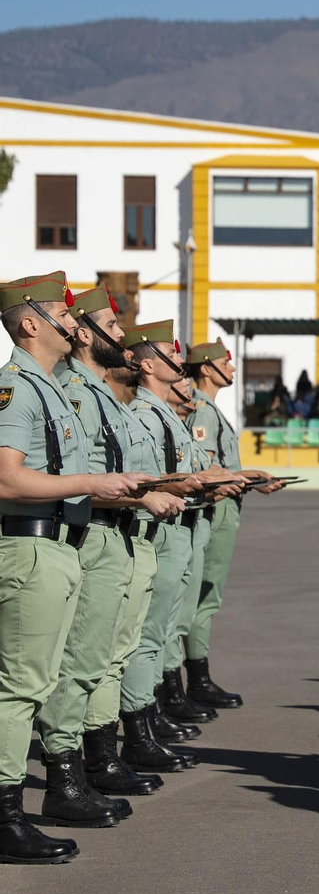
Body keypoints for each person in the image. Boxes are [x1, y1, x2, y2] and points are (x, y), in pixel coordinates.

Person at [0, 274, 150, 863]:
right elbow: (8, 477)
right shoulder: (18, 385)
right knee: (20, 689)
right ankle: (8, 816)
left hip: (59, 545)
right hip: (31, 544)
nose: (74, 321)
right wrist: (93, 483)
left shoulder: (50, 388)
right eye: (61, 312)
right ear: (30, 323)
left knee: (36, 684)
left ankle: (39, 797)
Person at [35, 289, 186, 831]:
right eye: (110, 325)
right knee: (75, 664)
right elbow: (76, 478)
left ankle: (97, 756)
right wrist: (142, 496)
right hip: (91, 533)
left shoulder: (95, 394)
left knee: (105, 657)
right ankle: (70, 772)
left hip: (120, 533)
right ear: (81, 333)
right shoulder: (69, 392)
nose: (121, 334)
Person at [125, 322, 244, 766]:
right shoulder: (150, 413)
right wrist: (207, 481)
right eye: (171, 355)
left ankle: (152, 714)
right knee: (154, 630)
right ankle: (144, 720)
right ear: (150, 364)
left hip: (185, 520)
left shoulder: (165, 414)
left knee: (169, 622)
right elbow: (155, 478)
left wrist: (230, 478)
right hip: (170, 524)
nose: (182, 363)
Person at [183, 340, 282, 710]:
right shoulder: (204, 411)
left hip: (224, 501)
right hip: (218, 508)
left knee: (201, 594)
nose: (233, 368)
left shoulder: (207, 407)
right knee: (205, 595)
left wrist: (251, 479)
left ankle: (192, 678)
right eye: (226, 362)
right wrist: (246, 476)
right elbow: (209, 473)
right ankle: (197, 678)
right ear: (206, 368)